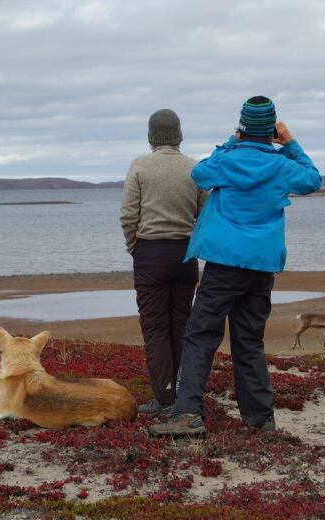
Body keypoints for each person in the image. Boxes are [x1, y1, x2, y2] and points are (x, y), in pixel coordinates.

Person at [149, 96, 322, 436]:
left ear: (243, 127)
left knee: (200, 336)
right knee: (249, 341)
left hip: (224, 265)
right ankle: (260, 421)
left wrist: (232, 141)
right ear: (271, 129)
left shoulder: (227, 161)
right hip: (260, 266)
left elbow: (200, 173)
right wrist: (290, 142)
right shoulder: (283, 166)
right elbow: (312, 179)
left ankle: (188, 415)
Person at [120, 109, 207, 416]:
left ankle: (164, 397)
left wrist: (135, 247)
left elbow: (128, 215)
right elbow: (204, 214)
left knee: (156, 327)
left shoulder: (140, 166)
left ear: (151, 135)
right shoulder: (194, 168)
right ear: (178, 134)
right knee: (181, 324)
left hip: (150, 253)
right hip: (184, 255)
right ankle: (182, 393)